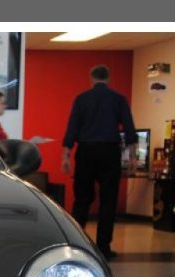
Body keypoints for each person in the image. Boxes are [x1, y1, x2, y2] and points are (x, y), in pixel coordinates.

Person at [62, 65, 137, 260]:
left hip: (86, 151)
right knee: (108, 201)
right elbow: (129, 129)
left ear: (91, 77)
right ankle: (104, 247)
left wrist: (66, 155)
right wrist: (132, 157)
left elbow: (72, 127)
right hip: (109, 152)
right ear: (108, 78)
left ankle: (77, 244)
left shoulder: (81, 99)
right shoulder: (118, 99)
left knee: (82, 199)